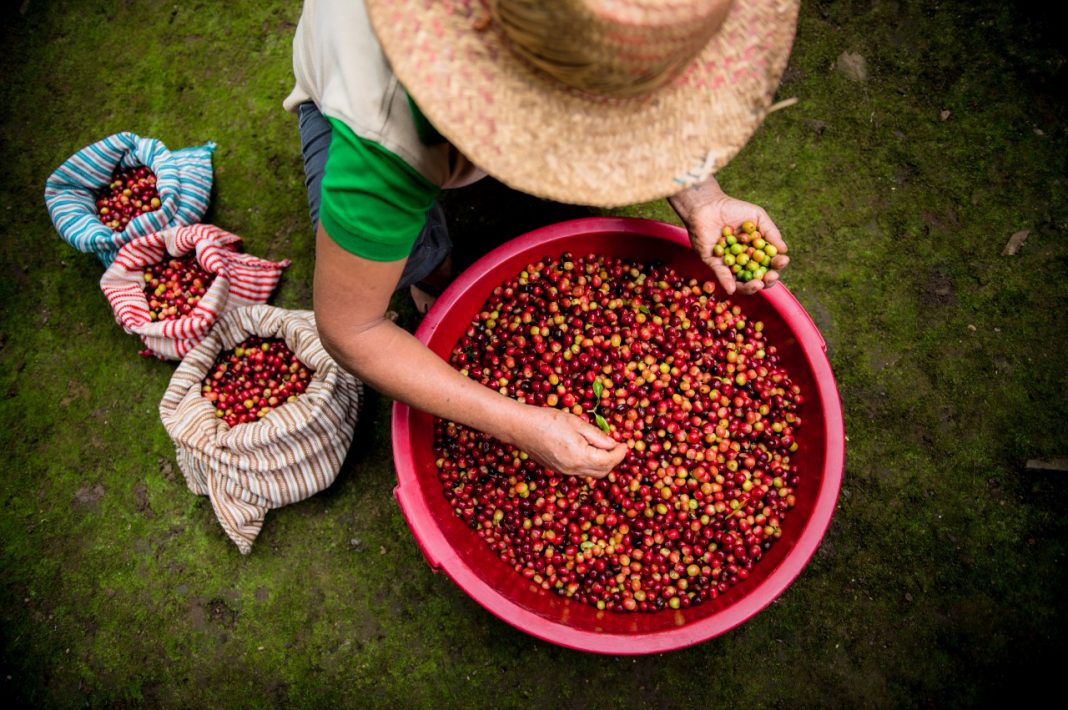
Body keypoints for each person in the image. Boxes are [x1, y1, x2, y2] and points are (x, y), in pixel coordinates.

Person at [284, 0, 799, 479]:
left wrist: (702, 199)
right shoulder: (382, 135)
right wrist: (518, 423)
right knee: (412, 257)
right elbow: (351, 330)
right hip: (351, 104)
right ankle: (434, 275)